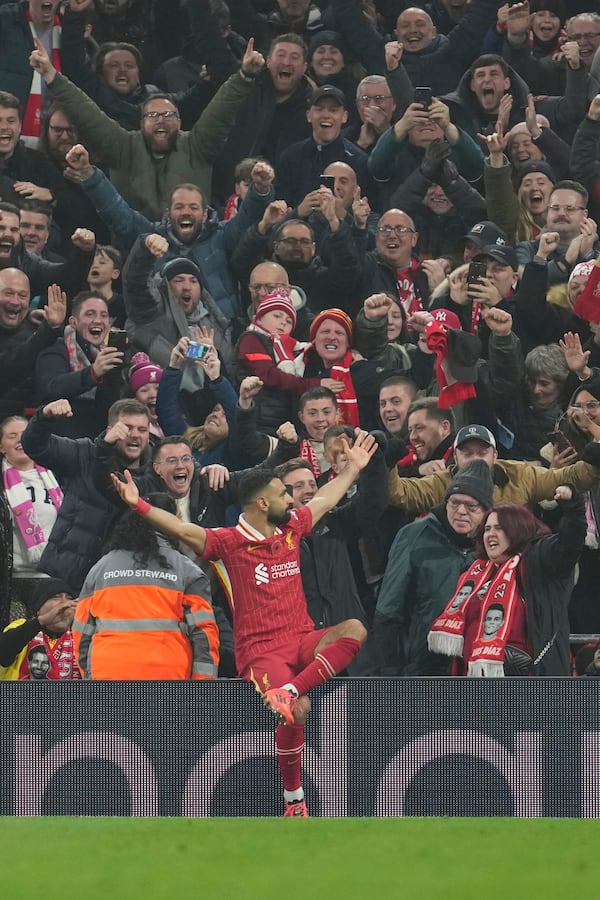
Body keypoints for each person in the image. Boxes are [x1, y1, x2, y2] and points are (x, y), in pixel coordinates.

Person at [110, 431, 376, 817]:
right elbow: (185, 531)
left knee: (354, 628)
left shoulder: (292, 527)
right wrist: (139, 506)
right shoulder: (228, 542)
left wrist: (352, 469)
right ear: (263, 502)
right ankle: (293, 801)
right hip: (260, 652)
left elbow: (325, 498)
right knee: (297, 711)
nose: (292, 499)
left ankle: (288, 689)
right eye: (284, 493)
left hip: (301, 639)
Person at [29, 34, 267, 219]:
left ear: (180, 121)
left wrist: (244, 75)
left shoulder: (197, 146)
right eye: (153, 115)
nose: (161, 119)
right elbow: (87, 113)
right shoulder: (124, 146)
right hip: (133, 246)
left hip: (192, 247)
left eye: (168, 114)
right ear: (141, 123)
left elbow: (221, 111)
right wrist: (51, 75)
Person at [428, 485, 586, 675]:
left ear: (517, 530)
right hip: (470, 681)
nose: (490, 534)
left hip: (526, 685)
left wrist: (573, 507)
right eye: (487, 529)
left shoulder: (539, 563)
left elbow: (569, 545)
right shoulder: (474, 572)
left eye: (499, 528)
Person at [73, 493, 219, 680]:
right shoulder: (188, 571)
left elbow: (80, 632)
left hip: (108, 674)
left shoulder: (100, 569)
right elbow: (204, 636)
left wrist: (91, 675)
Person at [374, 458, 493, 675]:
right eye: (454, 502)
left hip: (474, 666)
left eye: (471, 506)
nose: (461, 511)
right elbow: (388, 613)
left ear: (486, 511)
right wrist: (390, 675)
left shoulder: (494, 544)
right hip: (419, 667)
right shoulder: (414, 536)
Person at [0, 414, 63, 617]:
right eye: (12, 436)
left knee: (48, 645)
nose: (20, 439)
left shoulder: (57, 475)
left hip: (51, 577)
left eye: (25, 434)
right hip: (12, 581)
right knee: (17, 642)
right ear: (1, 447)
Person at [0, 578, 79, 681]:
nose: (65, 603)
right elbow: (3, 653)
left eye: (69, 598)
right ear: (39, 608)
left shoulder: (81, 636)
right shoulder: (22, 627)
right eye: (55, 597)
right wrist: (40, 622)